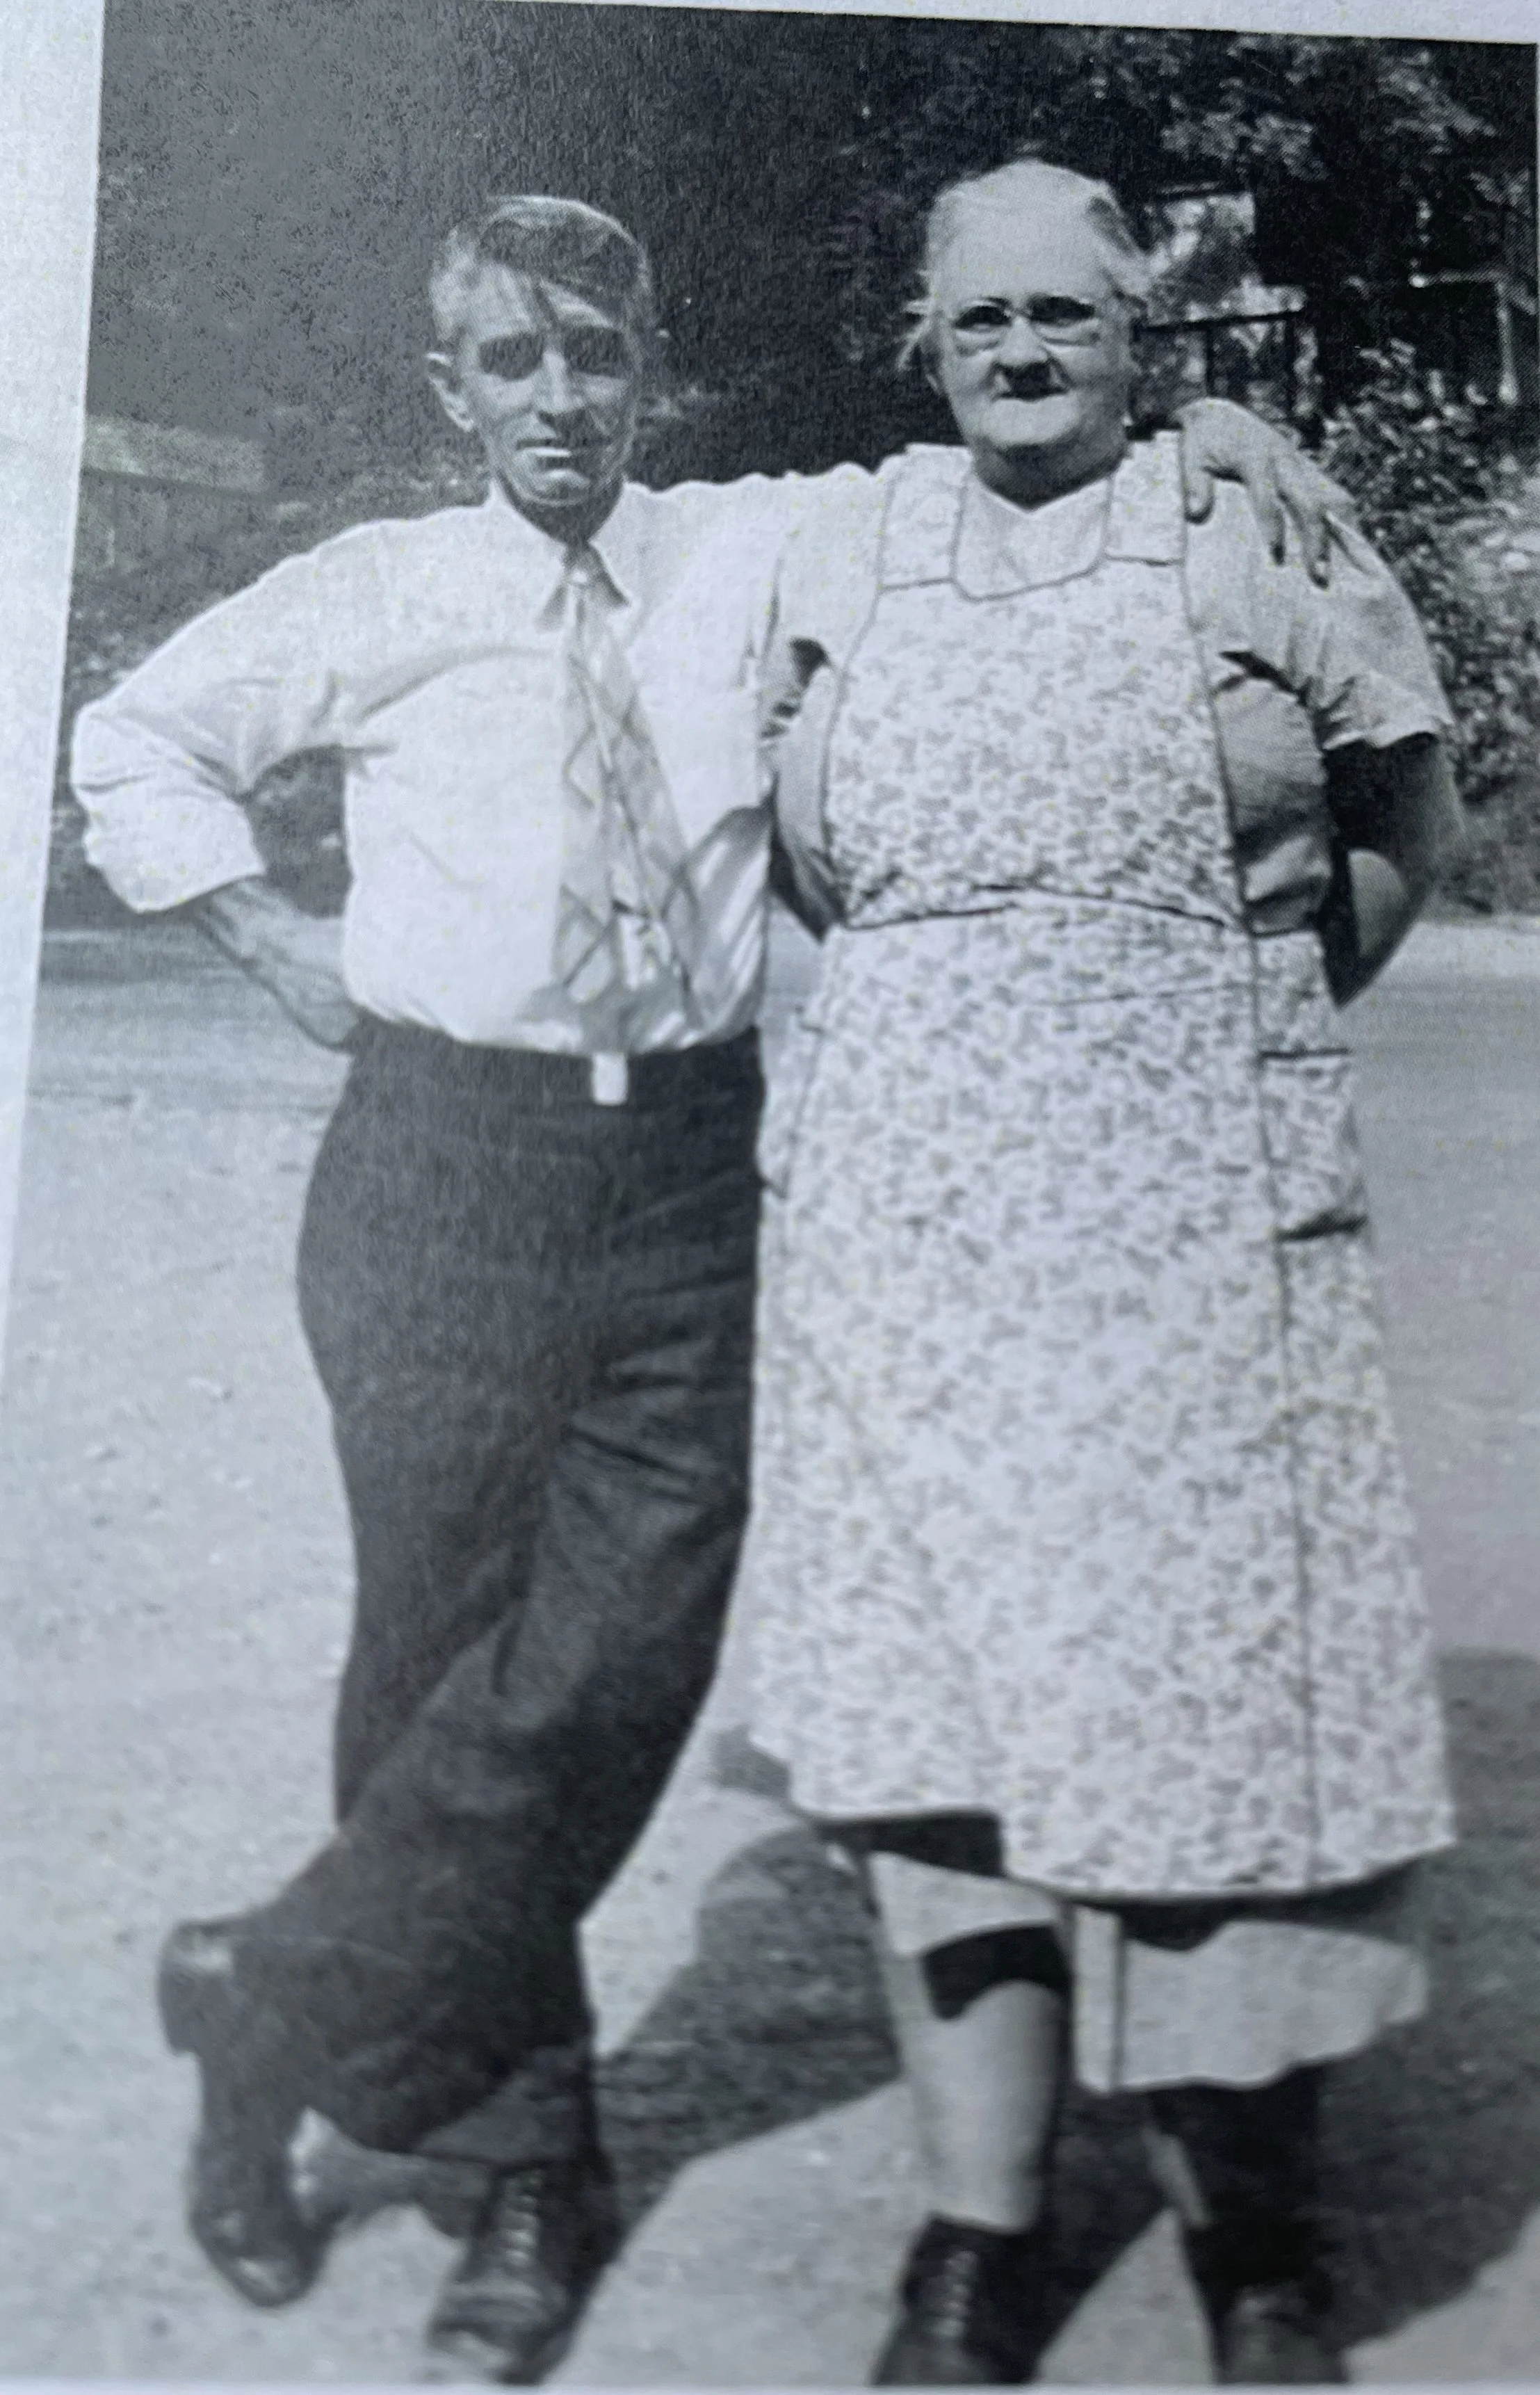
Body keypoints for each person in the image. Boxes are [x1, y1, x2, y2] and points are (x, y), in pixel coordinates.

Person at [72, 191, 1336, 2383]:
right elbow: (128, 743)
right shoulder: (377, 587)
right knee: (442, 1656)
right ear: (444, 387)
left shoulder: (760, 545)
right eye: (508, 362)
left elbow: (1011, 428)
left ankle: (265, 1986)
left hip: (680, 1162)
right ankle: (530, 2168)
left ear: (646, 364)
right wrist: (276, 945)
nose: (556, 400)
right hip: (438, 1165)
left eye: (593, 355)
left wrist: (1217, 411)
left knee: (613, 1667)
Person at [736, 158, 1464, 2387]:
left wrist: (1213, 1025)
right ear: (926, 343)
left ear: (1146, 338)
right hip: (907, 1221)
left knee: (1217, 1717)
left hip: (1194, 1221)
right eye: (984, 323)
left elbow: (1398, 808)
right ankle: (974, 2234)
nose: (1025, 353)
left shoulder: (1252, 520)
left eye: (1069, 315)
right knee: (939, 1729)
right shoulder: (840, 530)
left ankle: (1251, 2231)